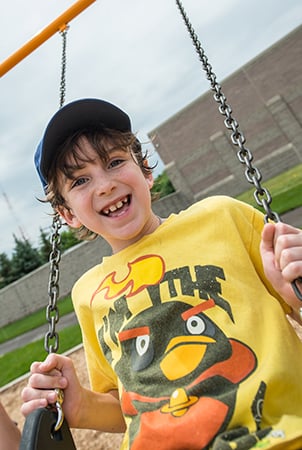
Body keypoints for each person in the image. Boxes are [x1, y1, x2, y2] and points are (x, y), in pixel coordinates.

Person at [21, 98, 302, 449]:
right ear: (68, 215)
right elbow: (130, 403)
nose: (105, 185)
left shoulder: (222, 218)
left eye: (115, 162)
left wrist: (296, 296)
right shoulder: (87, 293)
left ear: (146, 171)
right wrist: (80, 405)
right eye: (80, 181)